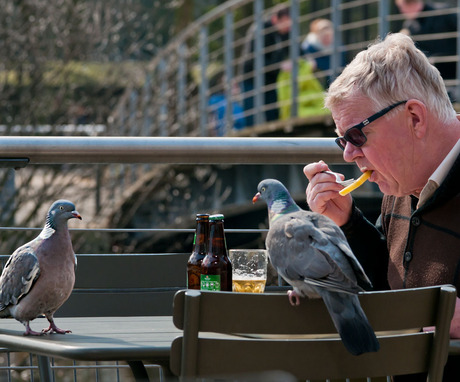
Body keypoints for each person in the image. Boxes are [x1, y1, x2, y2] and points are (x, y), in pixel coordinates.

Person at [303, 33, 460, 381]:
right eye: (342, 140)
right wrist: (348, 222)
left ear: (415, 118)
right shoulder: (404, 180)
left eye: (357, 135)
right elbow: (389, 286)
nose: (347, 153)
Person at [241, 4, 292, 126]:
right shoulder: (261, 29)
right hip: (252, 78)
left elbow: (295, 50)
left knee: (272, 114)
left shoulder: (284, 32)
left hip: (270, 79)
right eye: (285, 23)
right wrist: (279, 66)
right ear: (275, 19)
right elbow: (254, 59)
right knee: (251, 115)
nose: (288, 27)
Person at [395, 0, 457, 82]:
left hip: (453, 67)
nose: (401, 11)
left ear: (410, 3)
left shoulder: (443, 11)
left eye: (401, 7)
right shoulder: (409, 25)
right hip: (430, 75)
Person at [301, 18, 344, 87]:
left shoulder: (339, 47)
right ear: (317, 35)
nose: (327, 39)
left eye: (329, 36)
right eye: (324, 36)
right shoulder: (308, 48)